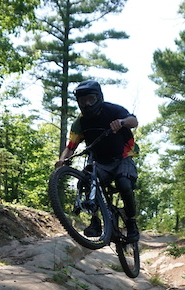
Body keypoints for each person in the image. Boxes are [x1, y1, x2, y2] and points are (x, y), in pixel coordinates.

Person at [56, 80, 140, 243]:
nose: (87, 104)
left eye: (91, 100)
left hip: (123, 156)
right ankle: (95, 221)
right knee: (87, 181)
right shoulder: (80, 122)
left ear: (99, 98)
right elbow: (71, 146)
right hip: (99, 161)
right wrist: (61, 160)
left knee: (124, 184)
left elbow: (134, 121)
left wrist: (121, 122)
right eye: (82, 101)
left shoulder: (113, 110)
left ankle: (131, 223)